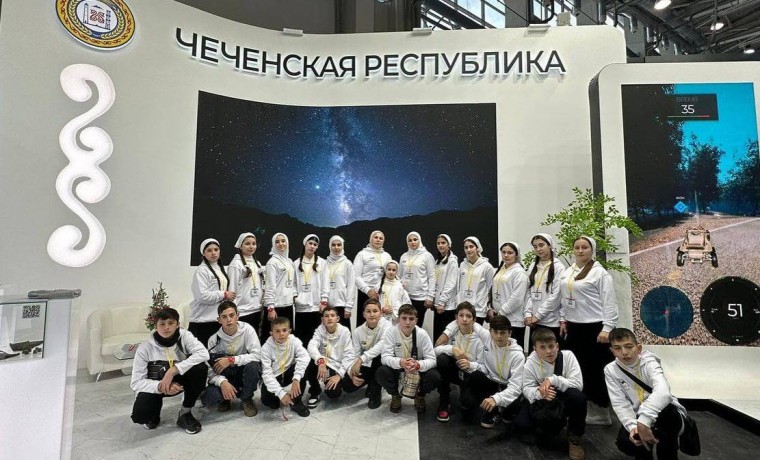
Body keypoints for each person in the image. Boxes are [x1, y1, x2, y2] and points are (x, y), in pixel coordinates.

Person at [556, 235, 619, 425]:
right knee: (577, 369)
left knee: (595, 370)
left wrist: (607, 328)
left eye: (585, 247)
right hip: (574, 327)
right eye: (577, 247)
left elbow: (610, 302)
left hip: (595, 328)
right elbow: (563, 297)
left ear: (592, 250)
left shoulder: (600, 273)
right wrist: (563, 319)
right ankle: (581, 407)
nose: (580, 250)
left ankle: (601, 412)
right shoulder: (569, 271)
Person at [605, 328, 687, 460]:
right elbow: (620, 403)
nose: (624, 352)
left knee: (667, 415)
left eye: (629, 347)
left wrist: (644, 421)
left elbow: (663, 393)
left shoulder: (650, 363)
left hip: (663, 413)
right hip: (638, 416)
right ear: (612, 351)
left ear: (639, 348)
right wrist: (633, 427)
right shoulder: (610, 370)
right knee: (627, 443)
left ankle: (668, 450)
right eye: (618, 348)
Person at [130, 308, 209, 434]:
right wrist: (161, 386)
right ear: (155, 326)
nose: (166, 327)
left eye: (171, 323)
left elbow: (204, 354)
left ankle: (185, 413)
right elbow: (136, 382)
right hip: (155, 384)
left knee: (200, 368)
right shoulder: (145, 348)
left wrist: (173, 370)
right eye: (162, 324)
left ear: (178, 324)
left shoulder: (184, 336)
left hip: (179, 381)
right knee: (141, 416)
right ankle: (153, 414)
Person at [516, 328, 586, 460]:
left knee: (578, 397)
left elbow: (578, 385)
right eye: (542, 347)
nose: (548, 351)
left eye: (551, 346)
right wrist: (540, 393)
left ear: (557, 346)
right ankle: (553, 425)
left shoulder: (568, 356)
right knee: (522, 425)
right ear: (535, 349)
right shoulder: (530, 362)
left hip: (563, 395)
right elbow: (526, 388)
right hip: (542, 398)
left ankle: (575, 438)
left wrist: (552, 380)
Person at [452, 315, 525, 429]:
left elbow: (515, 387)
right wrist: (446, 334)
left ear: (509, 333)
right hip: (491, 381)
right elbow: (470, 322)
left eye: (503, 333)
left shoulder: (518, 355)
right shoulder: (487, 337)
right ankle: (493, 410)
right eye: (495, 332)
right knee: (468, 395)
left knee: (509, 418)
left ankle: (503, 406)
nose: (499, 336)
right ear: (490, 332)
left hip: (507, 386)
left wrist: (496, 399)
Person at [376, 304, 441, 414]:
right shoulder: (391, 332)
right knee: (381, 372)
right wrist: (400, 362)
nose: (407, 322)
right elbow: (385, 357)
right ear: (398, 320)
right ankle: (395, 395)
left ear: (416, 321)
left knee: (435, 376)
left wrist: (418, 365)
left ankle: (420, 395)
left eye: (411, 319)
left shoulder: (422, 334)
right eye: (404, 318)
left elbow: (432, 360)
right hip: (399, 367)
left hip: (416, 368)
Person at [202, 301, 262, 417]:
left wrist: (231, 360)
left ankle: (246, 399)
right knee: (208, 398)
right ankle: (225, 398)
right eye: (224, 317)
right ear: (219, 320)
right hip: (226, 376)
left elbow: (258, 355)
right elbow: (210, 370)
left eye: (231, 315)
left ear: (237, 316)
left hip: (242, 373)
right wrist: (222, 382)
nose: (229, 320)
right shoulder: (213, 340)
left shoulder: (247, 330)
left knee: (254, 366)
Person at [433, 302, 484, 423]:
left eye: (468, 316)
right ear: (456, 317)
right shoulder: (452, 332)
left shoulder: (481, 339)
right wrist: (452, 349)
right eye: (461, 315)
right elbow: (435, 350)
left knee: (467, 404)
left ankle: (471, 397)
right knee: (442, 360)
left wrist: (470, 365)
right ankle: (444, 402)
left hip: (469, 373)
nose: (464, 319)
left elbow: (484, 366)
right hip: (454, 370)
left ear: (474, 320)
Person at [259, 317, 311, 417]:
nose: (281, 334)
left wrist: (296, 378)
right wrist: (281, 393)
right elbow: (266, 374)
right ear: (271, 333)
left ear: (289, 331)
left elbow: (305, 357)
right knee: (268, 402)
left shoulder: (294, 341)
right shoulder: (266, 348)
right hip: (275, 376)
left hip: (289, 373)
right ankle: (279, 397)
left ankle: (297, 401)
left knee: (304, 364)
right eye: (277, 331)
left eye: (284, 330)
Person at [305, 306, 356, 408]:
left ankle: (340, 382)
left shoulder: (344, 331)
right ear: (322, 319)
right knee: (307, 360)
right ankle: (315, 391)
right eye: (326, 316)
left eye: (332, 315)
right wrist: (320, 360)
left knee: (336, 392)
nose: (329, 318)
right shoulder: (319, 330)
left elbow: (349, 355)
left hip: (340, 365)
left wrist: (339, 375)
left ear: (337, 318)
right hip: (326, 364)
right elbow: (311, 346)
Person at [190, 238, 236, 347]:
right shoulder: (201, 270)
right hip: (203, 321)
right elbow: (202, 296)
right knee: (201, 353)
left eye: (216, 249)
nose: (214, 253)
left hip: (217, 319)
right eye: (209, 250)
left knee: (216, 352)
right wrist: (224, 294)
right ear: (203, 253)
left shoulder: (219, 268)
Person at [347, 299, 392, 409]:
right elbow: (354, 354)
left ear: (381, 313)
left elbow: (382, 344)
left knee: (379, 356)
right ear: (364, 314)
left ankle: (375, 389)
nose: (372, 314)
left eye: (375, 311)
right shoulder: (357, 331)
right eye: (368, 311)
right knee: (347, 385)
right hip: (366, 363)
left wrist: (361, 359)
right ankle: (371, 381)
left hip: (381, 362)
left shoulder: (388, 326)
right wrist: (352, 374)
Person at [524, 233, 566, 344]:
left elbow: (556, 296)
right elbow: (528, 292)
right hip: (534, 321)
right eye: (535, 246)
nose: (538, 249)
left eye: (541, 245)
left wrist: (538, 315)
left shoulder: (558, 267)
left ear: (550, 245)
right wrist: (528, 313)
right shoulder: (533, 266)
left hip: (551, 321)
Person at [490, 241, 529, 348]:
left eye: (510, 253)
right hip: (499, 317)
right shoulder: (502, 269)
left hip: (513, 320)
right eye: (504, 252)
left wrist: (501, 313)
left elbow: (517, 299)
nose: (506, 255)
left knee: (513, 350)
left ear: (516, 255)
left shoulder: (519, 272)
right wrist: (491, 308)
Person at [227, 232, 265, 332]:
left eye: (253, 243)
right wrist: (233, 311)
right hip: (242, 311)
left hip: (257, 309)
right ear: (240, 246)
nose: (251, 246)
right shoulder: (236, 264)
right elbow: (232, 288)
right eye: (247, 244)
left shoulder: (257, 263)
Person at [293, 234, 325, 351]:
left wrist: (324, 301)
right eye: (310, 243)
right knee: (301, 339)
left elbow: (325, 283)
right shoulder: (296, 263)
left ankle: (315, 361)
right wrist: (295, 297)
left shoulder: (322, 263)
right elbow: (293, 283)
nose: (312, 246)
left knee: (315, 339)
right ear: (305, 244)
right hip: (301, 308)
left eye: (315, 245)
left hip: (316, 307)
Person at [353, 230, 392, 327]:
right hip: (365, 293)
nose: (378, 240)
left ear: (383, 241)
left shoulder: (387, 256)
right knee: (364, 323)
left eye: (381, 238)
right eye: (376, 237)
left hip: (381, 294)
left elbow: (391, 273)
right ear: (370, 239)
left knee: (380, 323)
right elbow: (356, 276)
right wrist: (367, 290)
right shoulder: (362, 254)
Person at [398, 231, 436, 328]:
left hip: (420, 297)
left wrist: (430, 296)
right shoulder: (404, 256)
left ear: (420, 240)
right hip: (405, 296)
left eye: (415, 239)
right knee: (404, 325)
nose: (413, 242)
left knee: (416, 326)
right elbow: (399, 276)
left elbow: (432, 277)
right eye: (410, 240)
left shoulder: (427, 256)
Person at [263, 232, 297, 334]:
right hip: (276, 306)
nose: (281, 244)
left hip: (288, 305)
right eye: (277, 242)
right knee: (275, 337)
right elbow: (270, 286)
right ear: (273, 245)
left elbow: (292, 282)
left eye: (283, 241)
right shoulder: (272, 262)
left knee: (288, 336)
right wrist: (270, 308)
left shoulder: (289, 261)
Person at [456, 237, 495, 324]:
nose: (468, 250)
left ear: (478, 248)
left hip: (478, 310)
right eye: (466, 247)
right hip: (463, 309)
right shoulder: (462, 265)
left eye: (471, 247)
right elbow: (459, 287)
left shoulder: (487, 266)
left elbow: (491, 289)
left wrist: (489, 307)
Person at [320, 235, 355, 329]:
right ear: (329, 246)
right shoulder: (324, 263)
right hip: (327, 305)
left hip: (342, 305)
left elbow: (351, 286)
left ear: (342, 246)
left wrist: (349, 306)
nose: (336, 247)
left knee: (343, 334)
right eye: (333, 245)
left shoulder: (347, 263)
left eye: (339, 245)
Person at [432, 234, 459, 341]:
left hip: (447, 306)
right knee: (437, 336)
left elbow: (450, 283)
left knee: (445, 337)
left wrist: (442, 302)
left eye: (443, 243)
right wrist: (434, 300)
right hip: (438, 305)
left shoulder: (452, 261)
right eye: (438, 243)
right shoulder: (438, 261)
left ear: (449, 245)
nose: (440, 245)